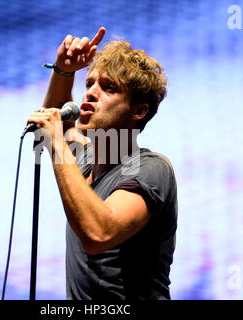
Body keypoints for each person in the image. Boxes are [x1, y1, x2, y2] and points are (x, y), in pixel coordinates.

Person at [27, 27, 177, 300]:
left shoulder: (150, 168)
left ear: (139, 110)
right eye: (89, 84)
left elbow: (98, 234)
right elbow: (60, 117)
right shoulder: (85, 162)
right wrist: (63, 70)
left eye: (108, 88)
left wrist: (57, 142)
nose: (90, 94)